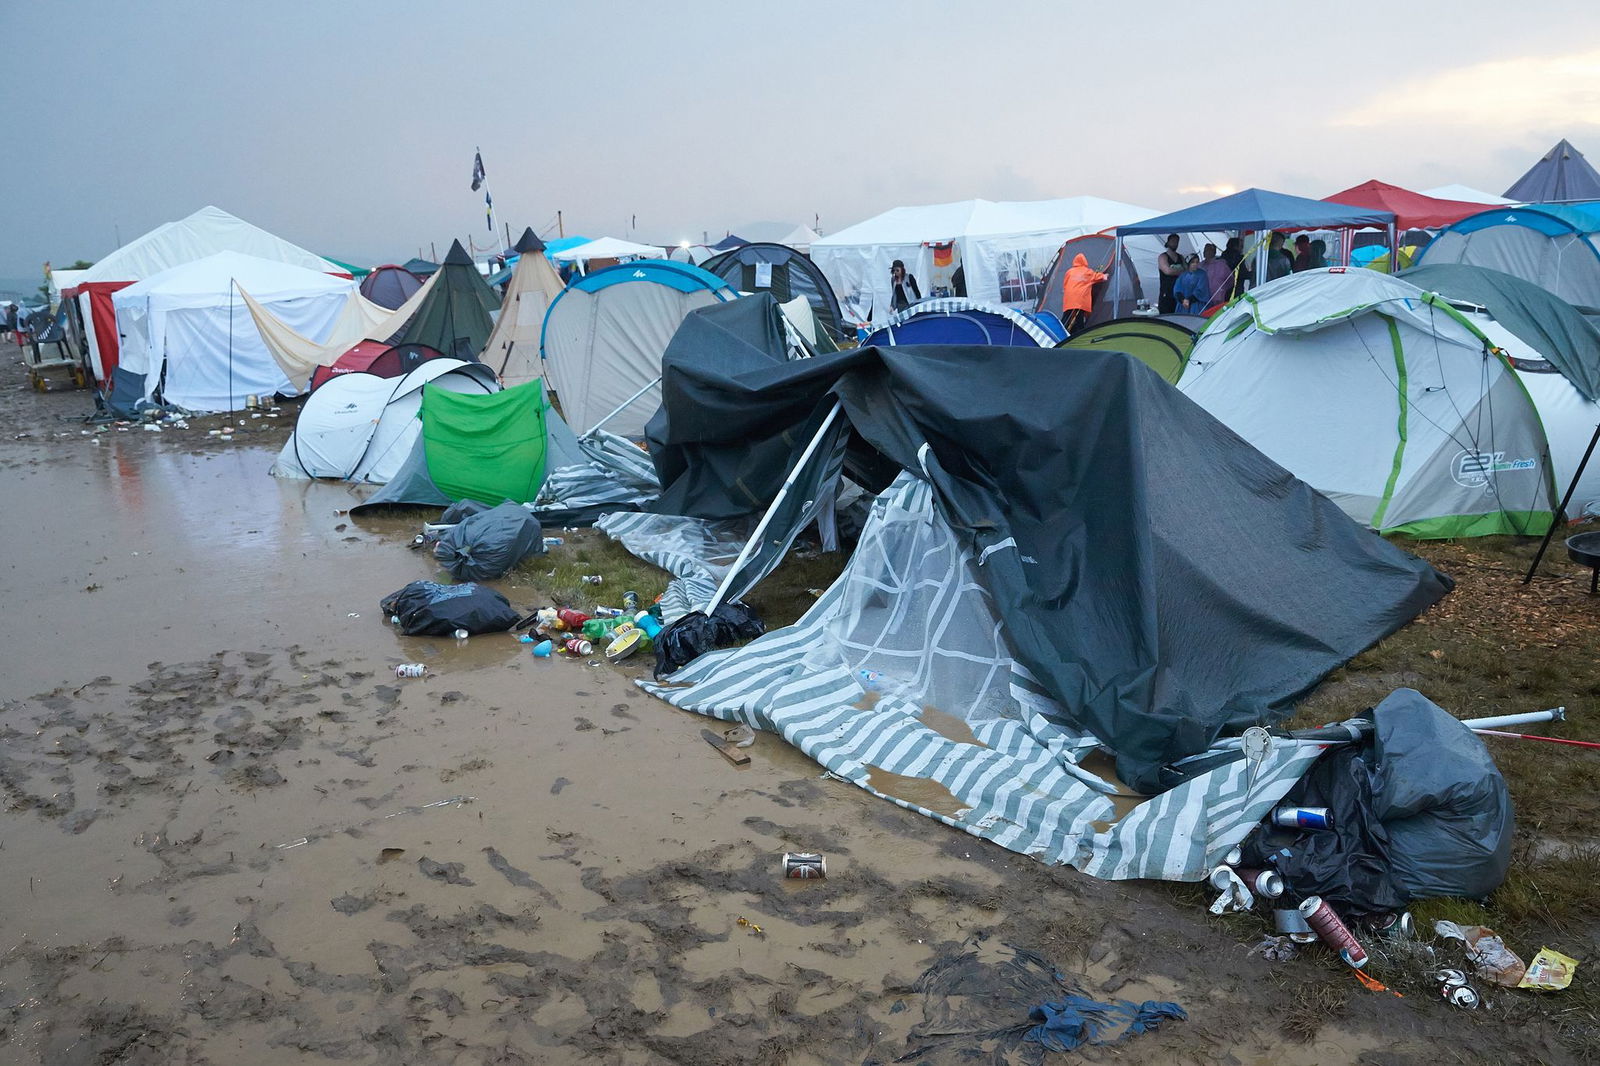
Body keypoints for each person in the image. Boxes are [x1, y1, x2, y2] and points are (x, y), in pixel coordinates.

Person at [1059, 253, 1107, 333]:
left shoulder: (1069, 272)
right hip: (1080, 301)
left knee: (1066, 318)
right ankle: (1080, 334)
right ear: (1085, 261)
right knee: (1079, 319)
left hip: (1069, 301)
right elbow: (1096, 276)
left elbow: (1065, 285)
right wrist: (1104, 276)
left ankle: (1060, 333)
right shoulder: (1087, 271)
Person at [1156, 234, 1186, 314]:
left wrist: (1175, 270)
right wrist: (1180, 270)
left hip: (1179, 293)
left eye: (1177, 242)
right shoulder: (1163, 257)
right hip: (1166, 293)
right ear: (1168, 242)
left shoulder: (1181, 257)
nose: (1175, 244)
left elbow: (1186, 271)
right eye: (1173, 241)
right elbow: (1167, 271)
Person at [1200, 243, 1233, 310]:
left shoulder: (1222, 265)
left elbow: (1230, 280)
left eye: (1208, 250)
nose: (1205, 252)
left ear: (1214, 252)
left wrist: (1222, 289)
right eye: (1205, 250)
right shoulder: (1200, 265)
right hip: (1202, 299)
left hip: (1217, 298)